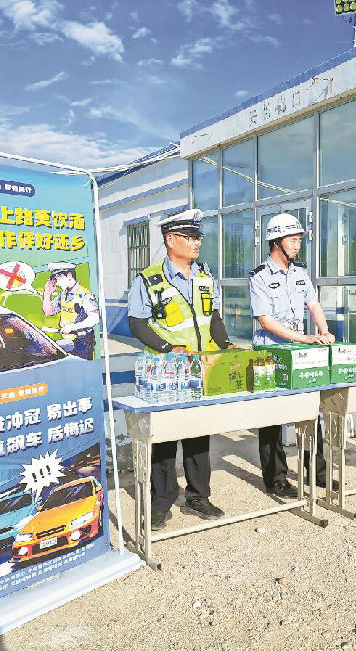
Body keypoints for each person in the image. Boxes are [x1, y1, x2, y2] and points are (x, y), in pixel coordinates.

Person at [127, 209, 234, 530]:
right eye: (190, 237)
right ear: (171, 240)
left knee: (199, 434)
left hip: (200, 370)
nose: (197, 243)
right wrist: (167, 347)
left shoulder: (205, 277)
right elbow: (137, 323)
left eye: (198, 237)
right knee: (164, 439)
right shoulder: (148, 280)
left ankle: (198, 497)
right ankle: (161, 502)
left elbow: (213, 318)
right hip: (167, 373)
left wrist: (225, 344)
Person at [249, 213, 335, 498]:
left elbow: (313, 304)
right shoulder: (260, 277)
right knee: (271, 418)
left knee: (310, 411)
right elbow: (265, 321)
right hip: (270, 354)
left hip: (298, 351)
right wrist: (307, 338)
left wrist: (324, 330)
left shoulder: (300, 273)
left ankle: (317, 473)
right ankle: (276, 479)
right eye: (293, 240)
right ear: (276, 242)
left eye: (299, 240)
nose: (298, 245)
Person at [41, 262, 99, 360]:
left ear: (69, 275)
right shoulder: (63, 294)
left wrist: (73, 327)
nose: (57, 283)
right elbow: (48, 312)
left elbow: (95, 318)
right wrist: (47, 293)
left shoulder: (84, 294)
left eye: (58, 279)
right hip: (68, 341)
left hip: (82, 343)